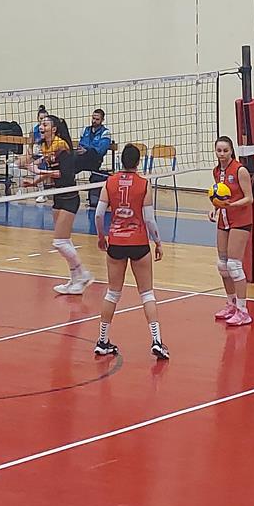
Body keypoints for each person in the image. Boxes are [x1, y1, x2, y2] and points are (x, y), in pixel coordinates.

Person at [93, 144, 168, 360]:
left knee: (112, 293)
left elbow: (99, 214)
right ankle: (156, 341)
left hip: (116, 242)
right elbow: (149, 219)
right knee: (147, 294)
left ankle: (102, 341)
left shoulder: (109, 182)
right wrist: (158, 242)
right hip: (138, 243)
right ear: (138, 162)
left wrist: (101, 237)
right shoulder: (144, 184)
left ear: (121, 161)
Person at [36, 114, 93, 295]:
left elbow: (65, 174)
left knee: (59, 242)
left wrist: (38, 171)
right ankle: (75, 281)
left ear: (54, 129)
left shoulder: (62, 147)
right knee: (65, 241)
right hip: (58, 196)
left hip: (69, 197)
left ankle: (83, 274)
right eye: (40, 124)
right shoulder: (46, 147)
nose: (41, 127)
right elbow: (50, 171)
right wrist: (34, 181)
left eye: (45, 124)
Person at [210, 136, 254, 325]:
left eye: (225, 151)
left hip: (240, 219)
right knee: (222, 264)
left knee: (234, 265)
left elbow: (249, 198)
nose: (222, 154)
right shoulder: (216, 171)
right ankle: (231, 303)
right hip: (224, 219)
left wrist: (232, 205)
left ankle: (243, 311)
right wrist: (215, 208)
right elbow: (219, 197)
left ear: (231, 151)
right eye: (219, 150)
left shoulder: (240, 170)